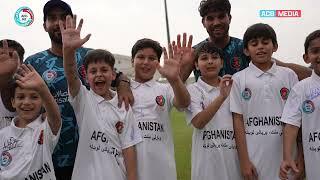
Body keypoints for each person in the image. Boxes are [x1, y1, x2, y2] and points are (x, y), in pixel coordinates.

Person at [24, 1, 133, 179]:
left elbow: (117, 75)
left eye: (63, 18)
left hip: (95, 152)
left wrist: (124, 84)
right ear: (44, 25)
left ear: (71, 23)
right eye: (52, 18)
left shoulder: (89, 55)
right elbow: (20, 99)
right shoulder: (34, 62)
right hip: (52, 154)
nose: (58, 23)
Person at [61, 14, 142, 180]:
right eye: (93, 71)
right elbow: (70, 73)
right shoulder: (83, 98)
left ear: (113, 75)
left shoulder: (122, 105)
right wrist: (68, 51)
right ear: (86, 75)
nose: (99, 75)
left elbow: (128, 149)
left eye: (104, 70)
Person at [229, 23, 299, 180]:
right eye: (254, 44)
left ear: (275, 46)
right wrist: (244, 162)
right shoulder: (239, 79)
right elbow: (238, 121)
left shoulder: (289, 76)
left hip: (286, 161)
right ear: (246, 50)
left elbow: (297, 120)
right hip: (254, 161)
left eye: (265, 42)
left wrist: (300, 157)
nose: (260, 47)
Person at [180, 0, 311, 82]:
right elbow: (175, 90)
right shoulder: (196, 52)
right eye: (210, 18)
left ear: (229, 18)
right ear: (203, 22)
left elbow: (282, 67)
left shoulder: (243, 47)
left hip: (242, 118)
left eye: (221, 16)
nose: (216, 22)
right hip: (210, 122)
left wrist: (315, 74)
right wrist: (183, 67)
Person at [130, 38, 190, 180]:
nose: (146, 62)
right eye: (140, 57)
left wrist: (175, 80)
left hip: (162, 170)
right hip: (130, 169)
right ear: (132, 60)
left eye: (152, 58)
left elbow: (183, 103)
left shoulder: (165, 89)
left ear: (158, 63)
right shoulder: (122, 90)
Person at [185, 41, 240, 180]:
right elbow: (198, 122)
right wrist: (221, 97)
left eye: (214, 58)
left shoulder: (234, 87)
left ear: (221, 63)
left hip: (233, 165)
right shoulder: (193, 90)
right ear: (196, 65)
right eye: (204, 58)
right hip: (206, 168)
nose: (210, 61)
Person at [0, 64, 61, 179]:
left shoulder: (45, 128)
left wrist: (42, 88)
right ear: (13, 102)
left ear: (43, 101)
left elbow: (55, 116)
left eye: (34, 97)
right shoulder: (2, 135)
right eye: (21, 97)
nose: (27, 102)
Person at [279, 30, 320, 180]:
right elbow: (291, 124)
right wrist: (287, 156)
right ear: (306, 57)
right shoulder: (301, 88)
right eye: (316, 51)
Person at [0, 39, 25, 129]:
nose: (4, 60)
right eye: (1, 56)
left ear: (21, 62)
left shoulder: (33, 88)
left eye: (11, 56)